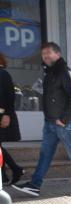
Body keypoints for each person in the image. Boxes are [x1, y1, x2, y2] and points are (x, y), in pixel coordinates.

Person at [12, 42, 71, 197]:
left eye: (48, 53)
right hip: (50, 123)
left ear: (57, 54)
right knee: (45, 154)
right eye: (43, 54)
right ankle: (34, 185)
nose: (45, 56)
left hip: (64, 123)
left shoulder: (65, 71)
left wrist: (64, 119)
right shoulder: (50, 72)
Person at [0, 52, 24, 185]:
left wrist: (7, 114)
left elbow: (9, 96)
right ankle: (6, 174)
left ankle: (14, 170)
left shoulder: (3, 74)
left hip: (2, 115)